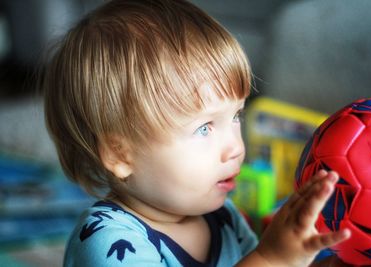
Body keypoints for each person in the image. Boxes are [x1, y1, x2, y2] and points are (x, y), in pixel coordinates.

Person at [42, 0, 350, 266]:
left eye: (236, 116)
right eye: (204, 128)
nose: (236, 149)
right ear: (121, 154)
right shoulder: (105, 241)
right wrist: (272, 259)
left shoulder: (223, 216)